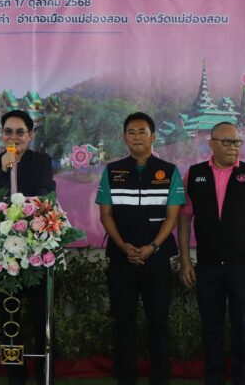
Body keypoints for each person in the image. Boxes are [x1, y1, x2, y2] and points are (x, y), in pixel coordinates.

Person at [178, 121, 245, 385]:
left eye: (236, 142)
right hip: (208, 266)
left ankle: (243, 379)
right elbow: (184, 220)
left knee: (243, 328)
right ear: (211, 144)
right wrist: (185, 261)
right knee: (211, 328)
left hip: (242, 267)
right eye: (227, 142)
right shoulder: (194, 175)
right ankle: (213, 378)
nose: (233, 147)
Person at [96, 111, 185, 385]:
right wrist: (122, 245)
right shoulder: (113, 171)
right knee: (123, 321)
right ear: (124, 138)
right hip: (121, 258)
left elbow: (172, 216)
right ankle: (126, 377)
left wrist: (153, 246)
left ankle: (160, 378)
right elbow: (105, 214)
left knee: (158, 322)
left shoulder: (168, 171)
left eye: (142, 132)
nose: (136, 137)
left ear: (153, 137)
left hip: (156, 260)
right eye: (131, 132)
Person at [0, 109, 56, 385]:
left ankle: (44, 374)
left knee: (40, 317)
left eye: (20, 132)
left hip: (35, 251)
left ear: (30, 135)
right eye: (8, 132)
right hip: (4, 255)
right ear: (2, 135)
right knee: (9, 318)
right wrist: (4, 170)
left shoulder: (42, 162)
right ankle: (16, 375)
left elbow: (45, 196)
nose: (14, 137)